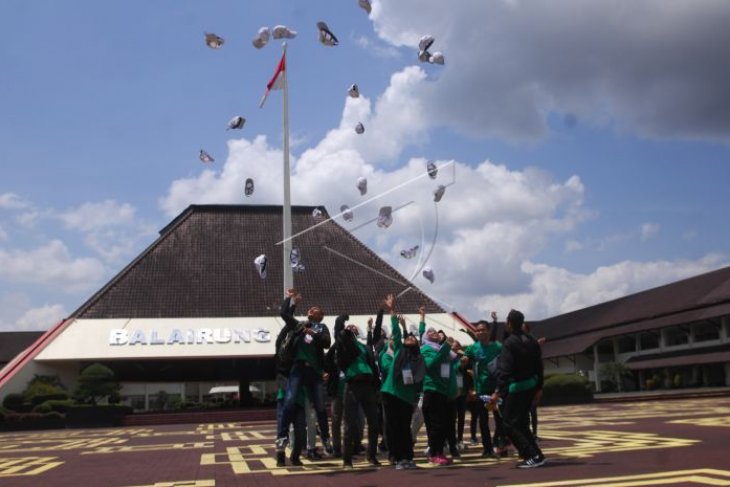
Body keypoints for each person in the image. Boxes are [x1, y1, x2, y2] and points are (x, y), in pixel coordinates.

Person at [277, 290, 333, 455]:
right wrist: (290, 299)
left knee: (320, 407)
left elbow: (327, 343)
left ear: (320, 315)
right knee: (289, 400)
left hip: (314, 371)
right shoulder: (300, 324)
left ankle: (325, 439)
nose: (311, 309)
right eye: (310, 308)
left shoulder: (321, 327)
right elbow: (284, 314)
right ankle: (282, 436)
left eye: (315, 309)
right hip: (298, 368)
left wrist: (313, 333)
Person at [491, 309, 546, 468]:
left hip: (516, 387)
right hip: (531, 385)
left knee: (509, 423)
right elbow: (539, 365)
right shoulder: (531, 340)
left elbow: (505, 370)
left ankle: (532, 455)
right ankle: (536, 454)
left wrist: (498, 392)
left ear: (508, 323)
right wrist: (540, 387)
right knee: (521, 423)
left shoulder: (510, 342)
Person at [380, 294, 424, 469]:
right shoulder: (399, 350)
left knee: (405, 428)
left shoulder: (419, 359)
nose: (410, 338)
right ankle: (397, 458)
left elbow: (418, 380)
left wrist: (415, 398)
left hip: (406, 397)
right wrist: (392, 310)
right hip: (391, 393)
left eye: (413, 338)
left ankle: (408, 457)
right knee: (394, 427)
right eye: (408, 338)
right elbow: (396, 332)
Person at [334, 315, 382, 468]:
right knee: (349, 424)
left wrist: (376, 385)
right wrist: (342, 319)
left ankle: (371, 455)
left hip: (368, 386)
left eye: (354, 328)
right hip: (353, 386)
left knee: (374, 423)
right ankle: (347, 460)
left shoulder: (365, 347)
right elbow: (339, 333)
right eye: (349, 328)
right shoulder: (344, 346)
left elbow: (373, 364)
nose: (351, 329)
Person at [420, 311, 458, 465]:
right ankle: (435, 453)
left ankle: (438, 452)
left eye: (435, 330)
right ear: (425, 338)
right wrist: (445, 347)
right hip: (432, 389)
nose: (434, 332)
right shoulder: (426, 349)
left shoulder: (442, 350)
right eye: (430, 331)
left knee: (443, 424)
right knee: (436, 424)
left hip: (442, 391)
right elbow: (430, 365)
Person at [463, 319, 504, 457]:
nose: (480, 332)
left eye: (482, 330)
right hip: (481, 390)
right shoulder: (472, 348)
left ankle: (498, 443)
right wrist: (469, 388)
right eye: (478, 330)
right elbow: (462, 367)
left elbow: (506, 366)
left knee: (501, 419)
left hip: (497, 389)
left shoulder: (498, 347)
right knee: (483, 420)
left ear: (488, 331)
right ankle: (487, 449)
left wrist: (499, 390)